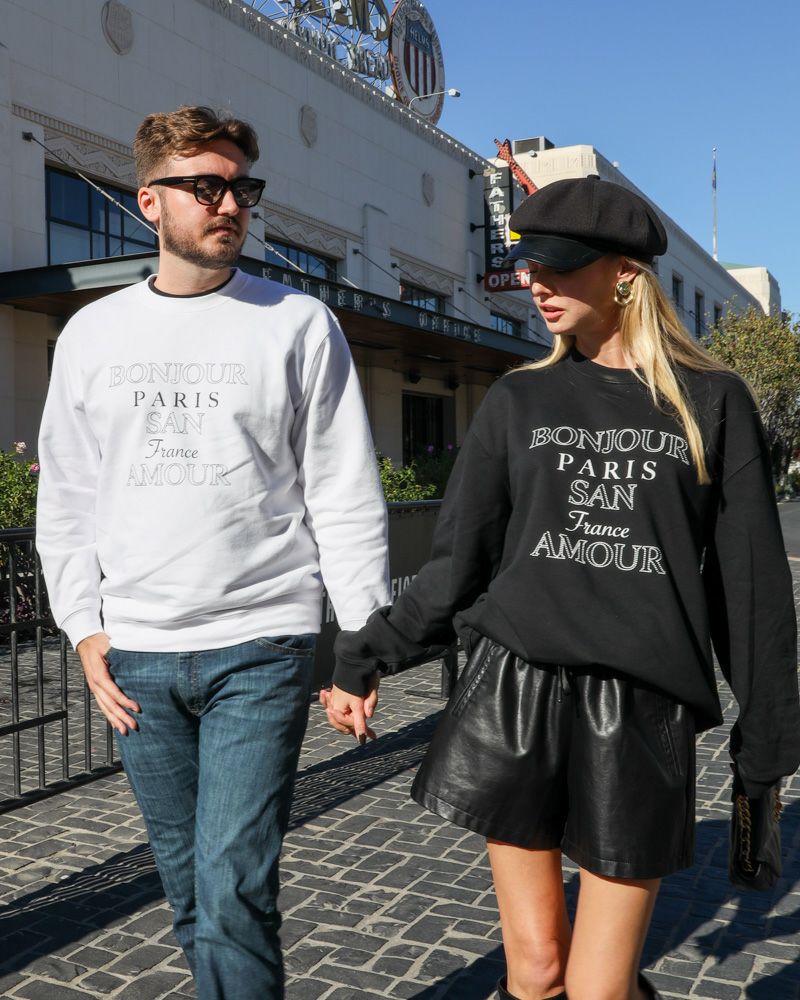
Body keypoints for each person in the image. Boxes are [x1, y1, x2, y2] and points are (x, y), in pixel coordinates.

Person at [322, 176, 800, 1000]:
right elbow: (459, 562)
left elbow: (751, 592)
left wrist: (766, 754)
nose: (535, 282)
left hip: (641, 709)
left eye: (558, 265)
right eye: (529, 265)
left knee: (598, 988)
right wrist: (364, 656)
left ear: (625, 273)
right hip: (514, 691)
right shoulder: (519, 398)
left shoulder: (711, 401)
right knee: (537, 971)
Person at [36, 105, 390, 1000]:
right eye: (205, 187)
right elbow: (66, 496)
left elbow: (344, 490)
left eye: (241, 188)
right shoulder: (92, 334)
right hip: (137, 657)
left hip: (261, 643)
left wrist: (359, 645)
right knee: (191, 892)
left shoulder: (297, 322)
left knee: (233, 887)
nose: (229, 205)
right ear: (150, 201)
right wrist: (82, 627)